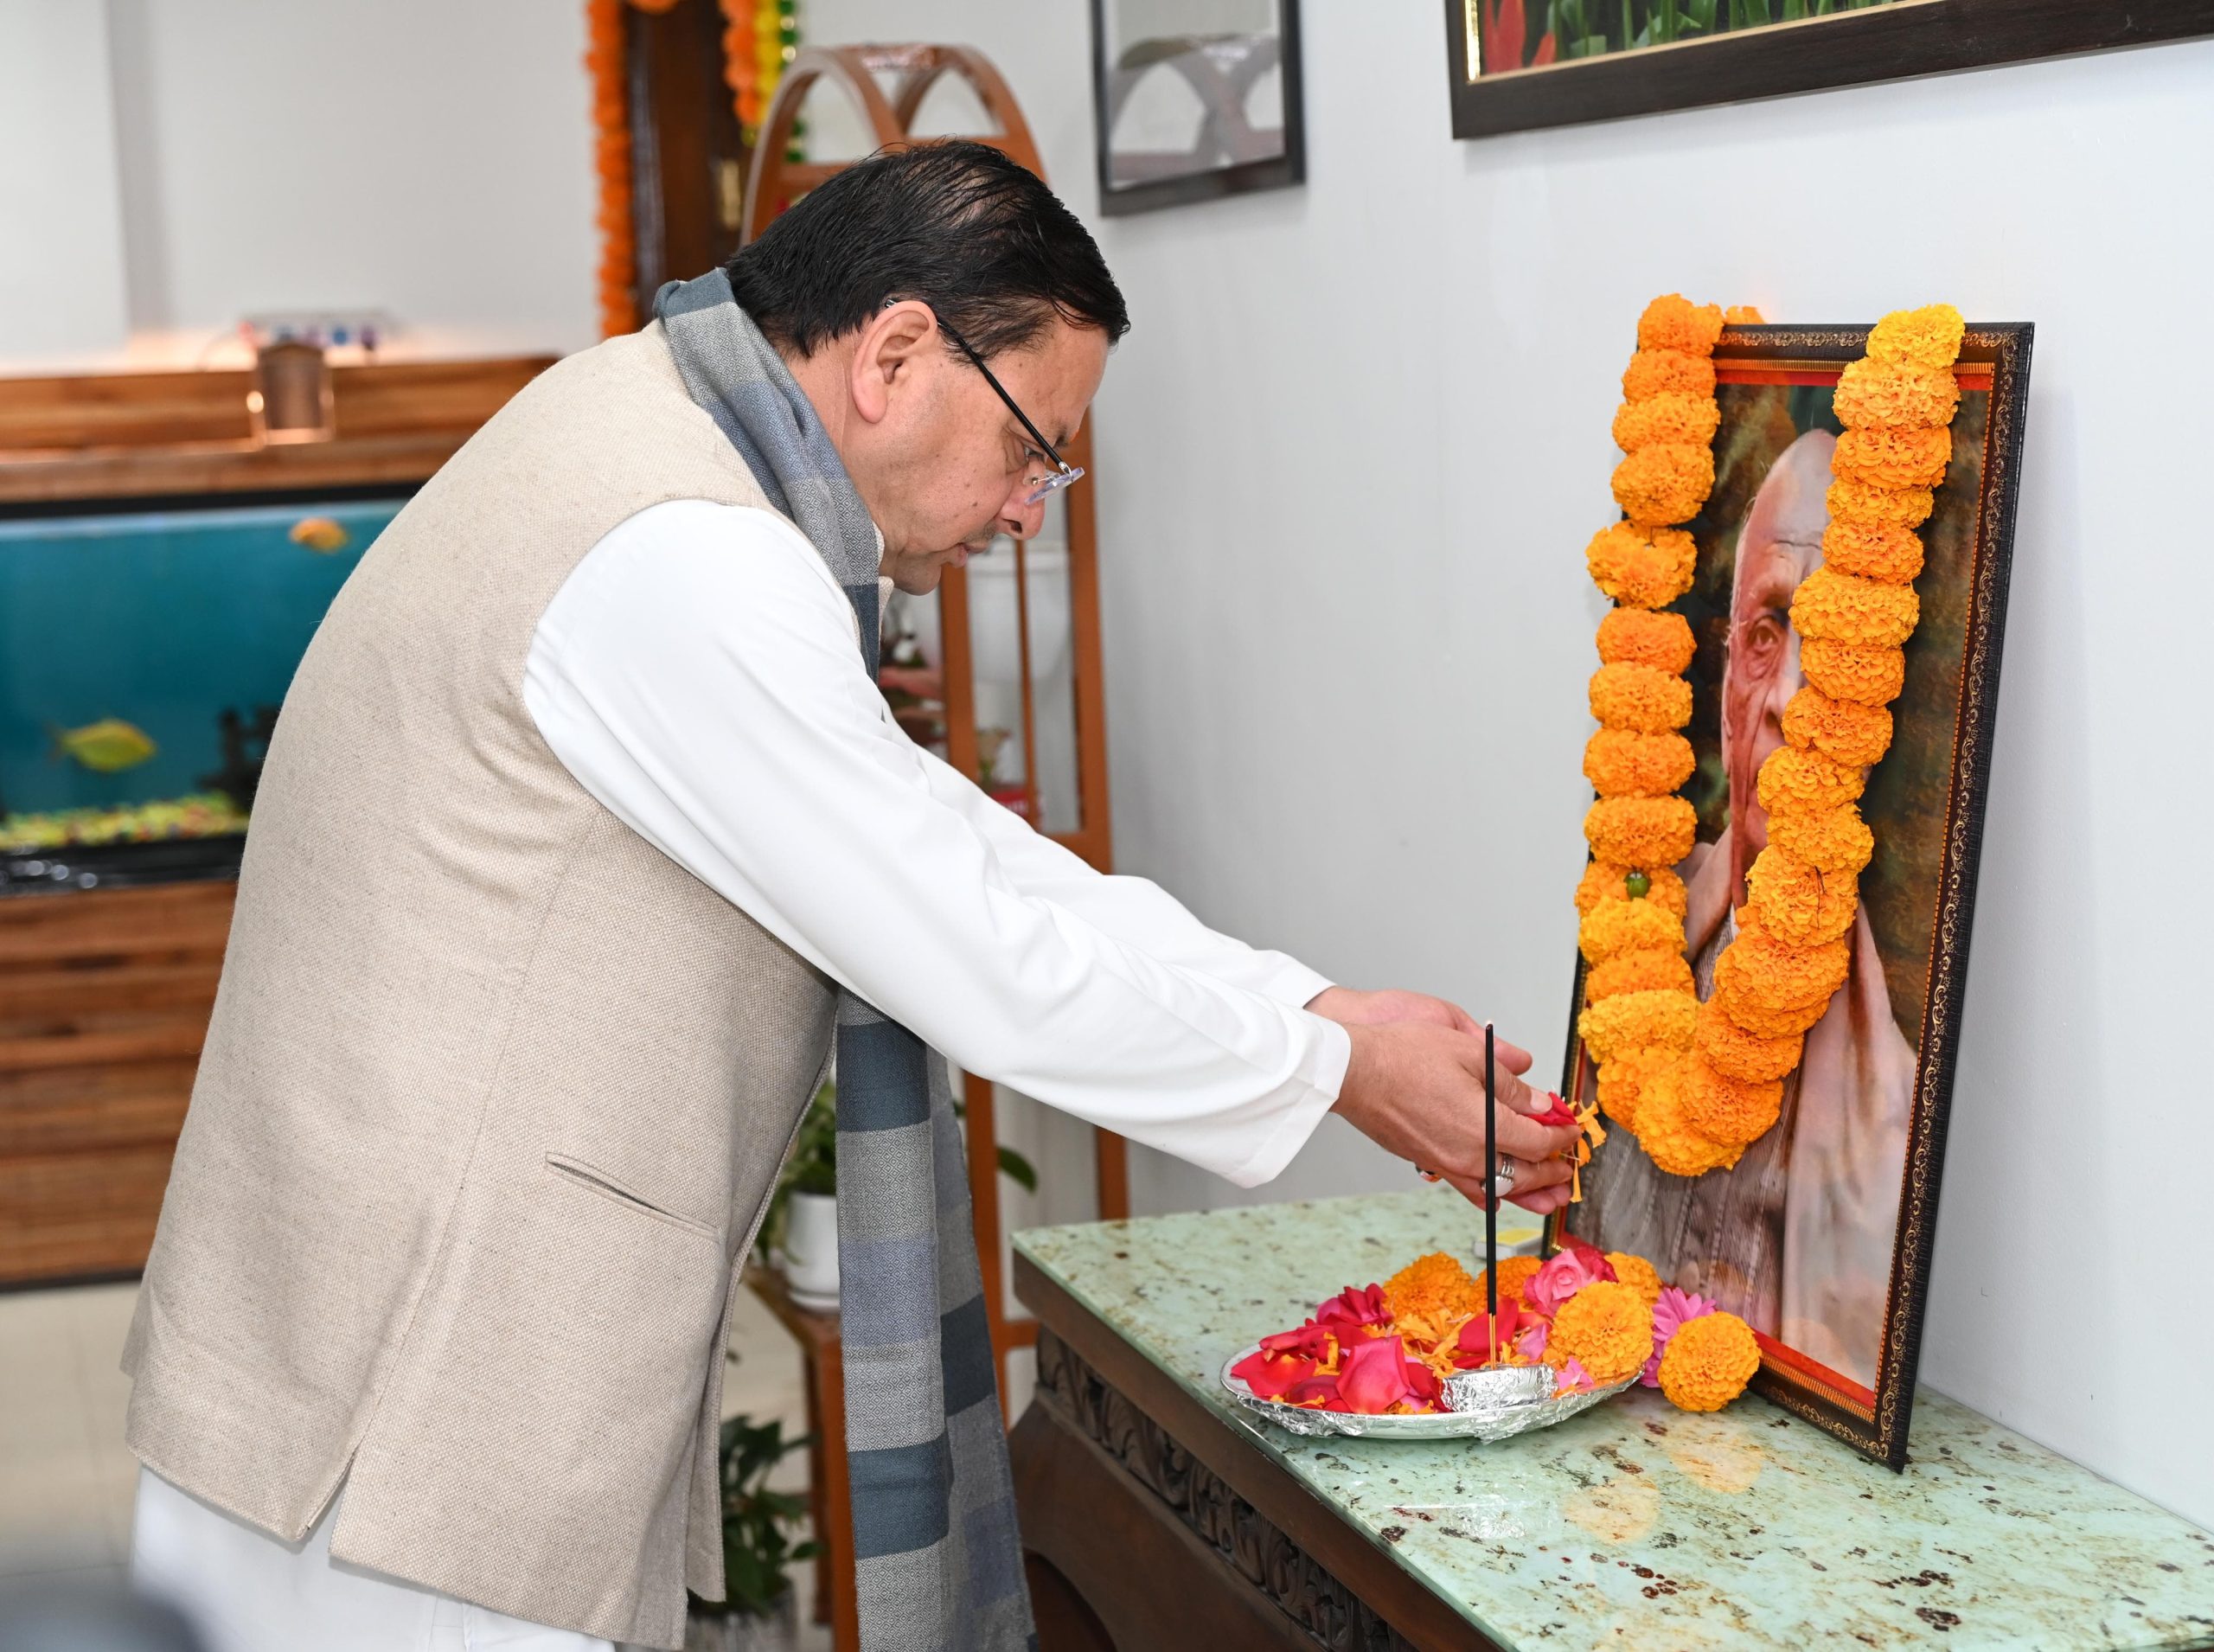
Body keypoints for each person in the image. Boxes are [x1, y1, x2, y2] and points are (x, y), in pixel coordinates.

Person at [122, 143, 1579, 1652]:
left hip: (363, 1355)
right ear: (894, 355)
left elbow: (936, 842)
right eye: (1034, 448)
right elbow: (975, 951)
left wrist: (1309, 1008)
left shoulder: (639, 425)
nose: (1029, 512)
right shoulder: (686, 555)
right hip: (414, 1409)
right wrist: (1337, 1069)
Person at [1589, 428, 1914, 1391]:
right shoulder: (1632, 924)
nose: (1789, 699)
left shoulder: (1890, 1110)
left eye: (1836, 654)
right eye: (1768, 636)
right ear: (1727, 671)